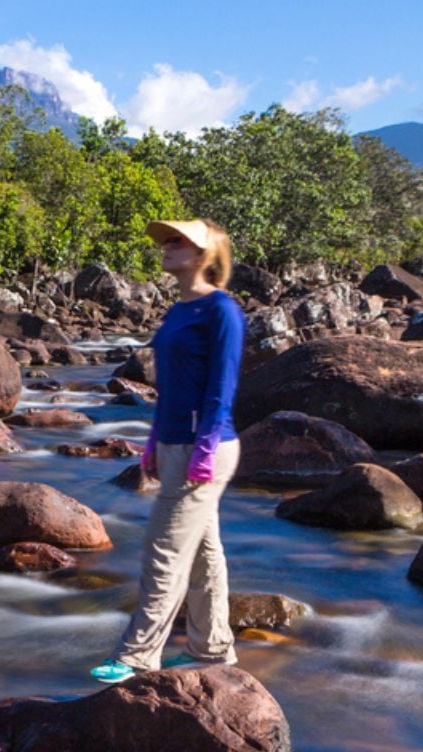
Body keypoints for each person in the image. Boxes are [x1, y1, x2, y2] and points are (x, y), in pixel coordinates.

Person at [91, 218, 244, 684]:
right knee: (202, 552)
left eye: (179, 242)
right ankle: (212, 649)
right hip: (175, 443)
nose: (168, 247)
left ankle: (138, 655)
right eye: (168, 241)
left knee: (164, 548)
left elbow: (222, 386)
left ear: (203, 254)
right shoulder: (178, 311)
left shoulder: (222, 311)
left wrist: (204, 446)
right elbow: (170, 387)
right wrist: (153, 441)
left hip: (207, 448)